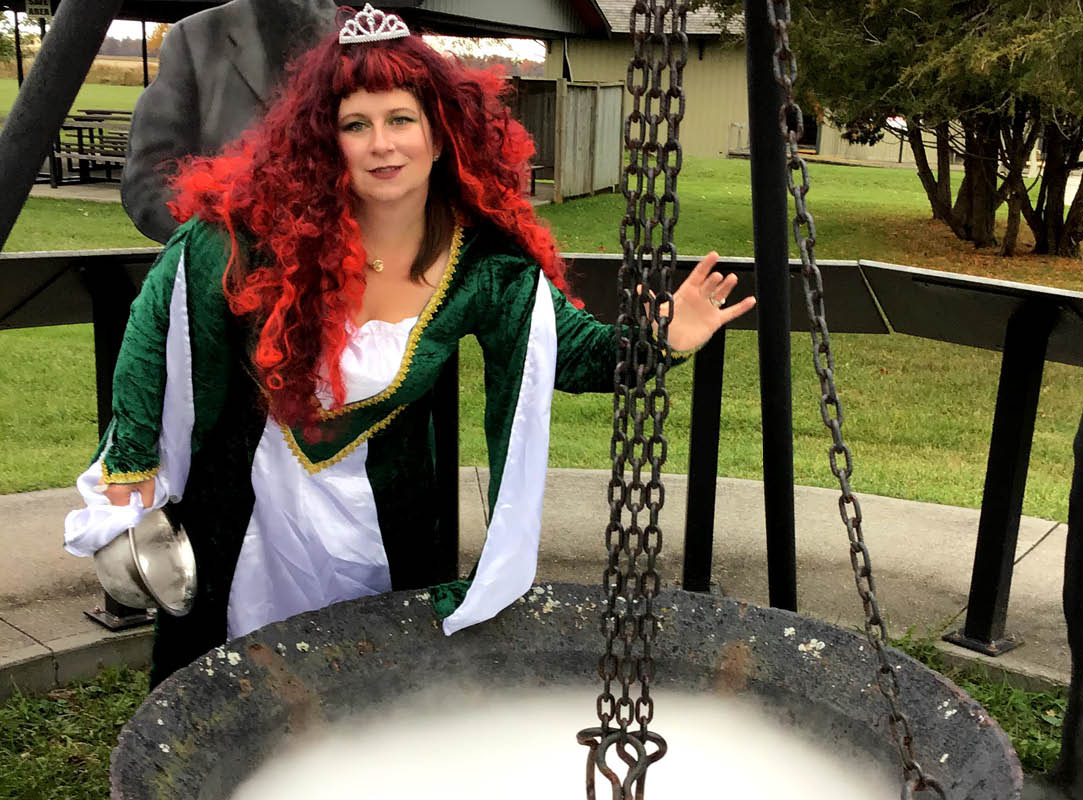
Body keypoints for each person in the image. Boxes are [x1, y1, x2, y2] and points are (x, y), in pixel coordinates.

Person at [66, 4, 755, 686]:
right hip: (250, 504)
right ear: (325, 140)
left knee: (374, 674)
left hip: (383, 511)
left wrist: (661, 340)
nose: (381, 145)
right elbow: (158, 335)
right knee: (240, 672)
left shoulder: (481, 262)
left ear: (438, 132)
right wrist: (128, 473)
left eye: (401, 120)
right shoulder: (248, 235)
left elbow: (570, 351)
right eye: (355, 125)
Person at [122, 0, 338, 243]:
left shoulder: (357, 40)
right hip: (224, 269)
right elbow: (149, 181)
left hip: (343, 265)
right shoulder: (195, 38)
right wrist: (221, 247)